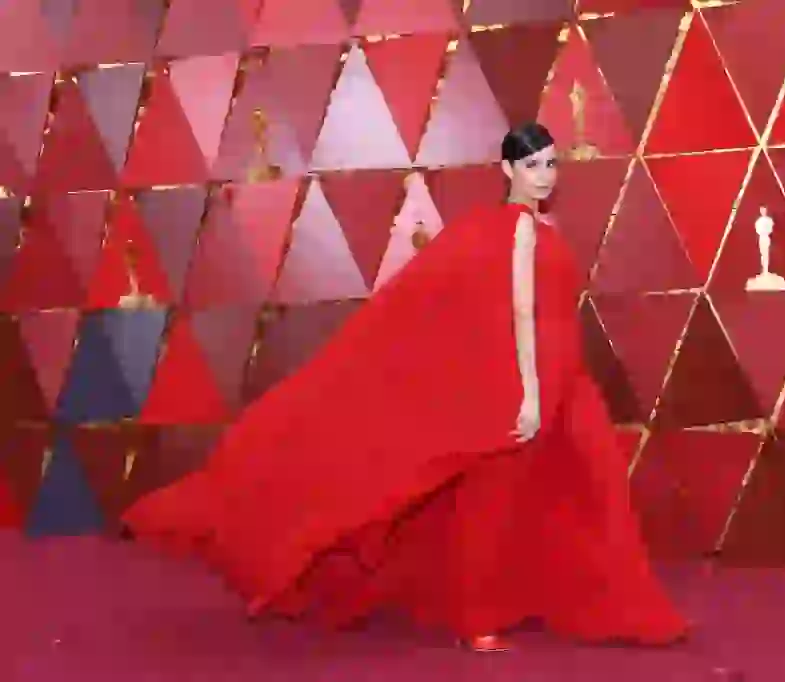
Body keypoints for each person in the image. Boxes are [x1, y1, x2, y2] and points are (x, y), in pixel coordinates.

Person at [122, 122, 689, 652]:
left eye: (551, 164)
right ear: (507, 169)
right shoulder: (514, 228)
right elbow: (517, 310)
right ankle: (483, 617)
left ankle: (526, 602)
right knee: (510, 497)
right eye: (534, 165)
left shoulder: (528, 228)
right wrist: (529, 395)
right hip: (536, 381)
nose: (545, 175)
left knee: (559, 488)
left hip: (562, 374)